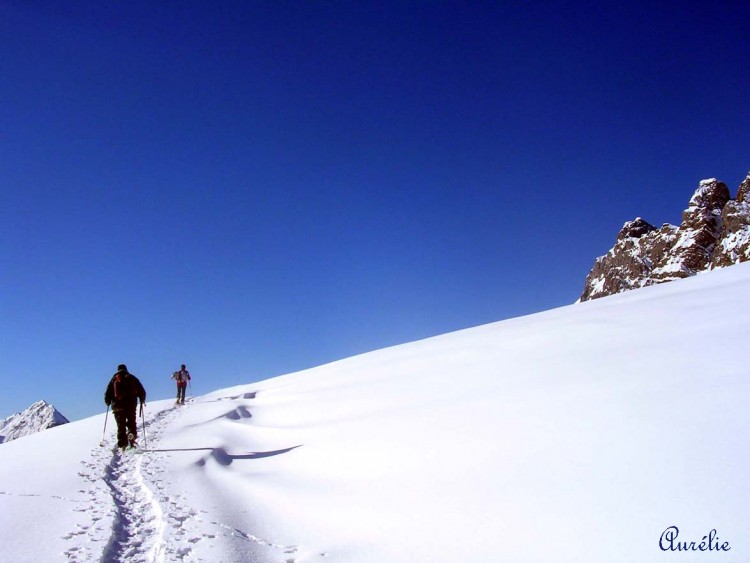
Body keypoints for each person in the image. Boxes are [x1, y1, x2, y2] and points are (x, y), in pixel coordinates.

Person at [104, 364, 146, 450]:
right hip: (130, 405)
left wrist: (108, 402)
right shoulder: (131, 377)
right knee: (131, 422)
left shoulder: (114, 379)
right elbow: (141, 390)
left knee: (121, 425)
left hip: (117, 406)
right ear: (126, 369)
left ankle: (122, 444)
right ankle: (131, 436)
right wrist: (142, 399)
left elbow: (108, 392)